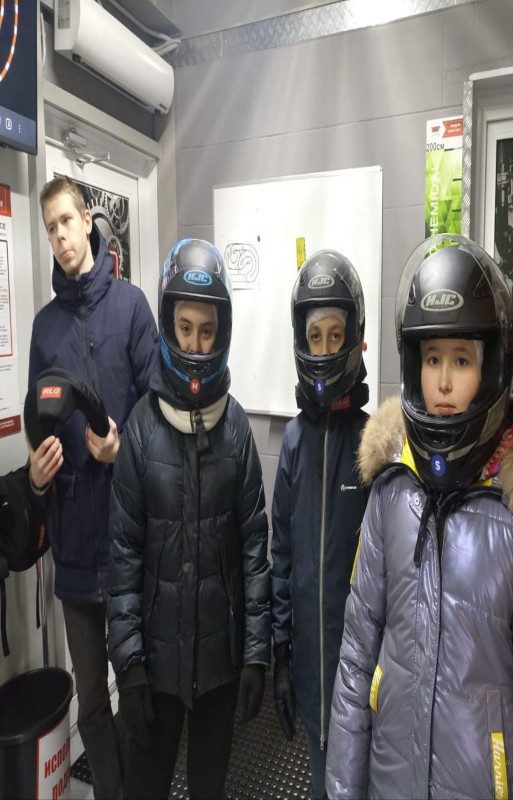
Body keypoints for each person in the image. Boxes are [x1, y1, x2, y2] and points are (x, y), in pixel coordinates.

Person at [326, 234, 513, 799]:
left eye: (461, 360)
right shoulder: (390, 491)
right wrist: (343, 787)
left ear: (490, 368)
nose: (443, 382)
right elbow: (356, 658)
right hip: (390, 780)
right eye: (432, 359)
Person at [107, 238, 271, 800]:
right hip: (152, 667)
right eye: (184, 328)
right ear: (168, 326)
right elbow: (123, 557)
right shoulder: (139, 429)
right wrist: (128, 665)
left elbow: (254, 549)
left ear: (221, 333)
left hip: (219, 666)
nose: (195, 343)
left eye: (206, 330)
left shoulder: (237, 429)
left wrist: (256, 655)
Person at [27, 176, 158, 799]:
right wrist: (36, 473)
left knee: (138, 694)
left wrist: (121, 444)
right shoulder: (44, 328)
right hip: (74, 546)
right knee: (92, 706)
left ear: (87, 221)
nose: (59, 236)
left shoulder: (131, 307)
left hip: (130, 541)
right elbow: (37, 421)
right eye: (49, 227)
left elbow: (158, 410)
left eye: (65, 221)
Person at [271, 250, 370, 800]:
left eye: (336, 336)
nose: (326, 348)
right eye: (316, 337)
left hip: (362, 677)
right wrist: (281, 651)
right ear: (302, 342)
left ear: (353, 337)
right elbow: (282, 553)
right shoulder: (292, 441)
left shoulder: (374, 443)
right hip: (309, 667)